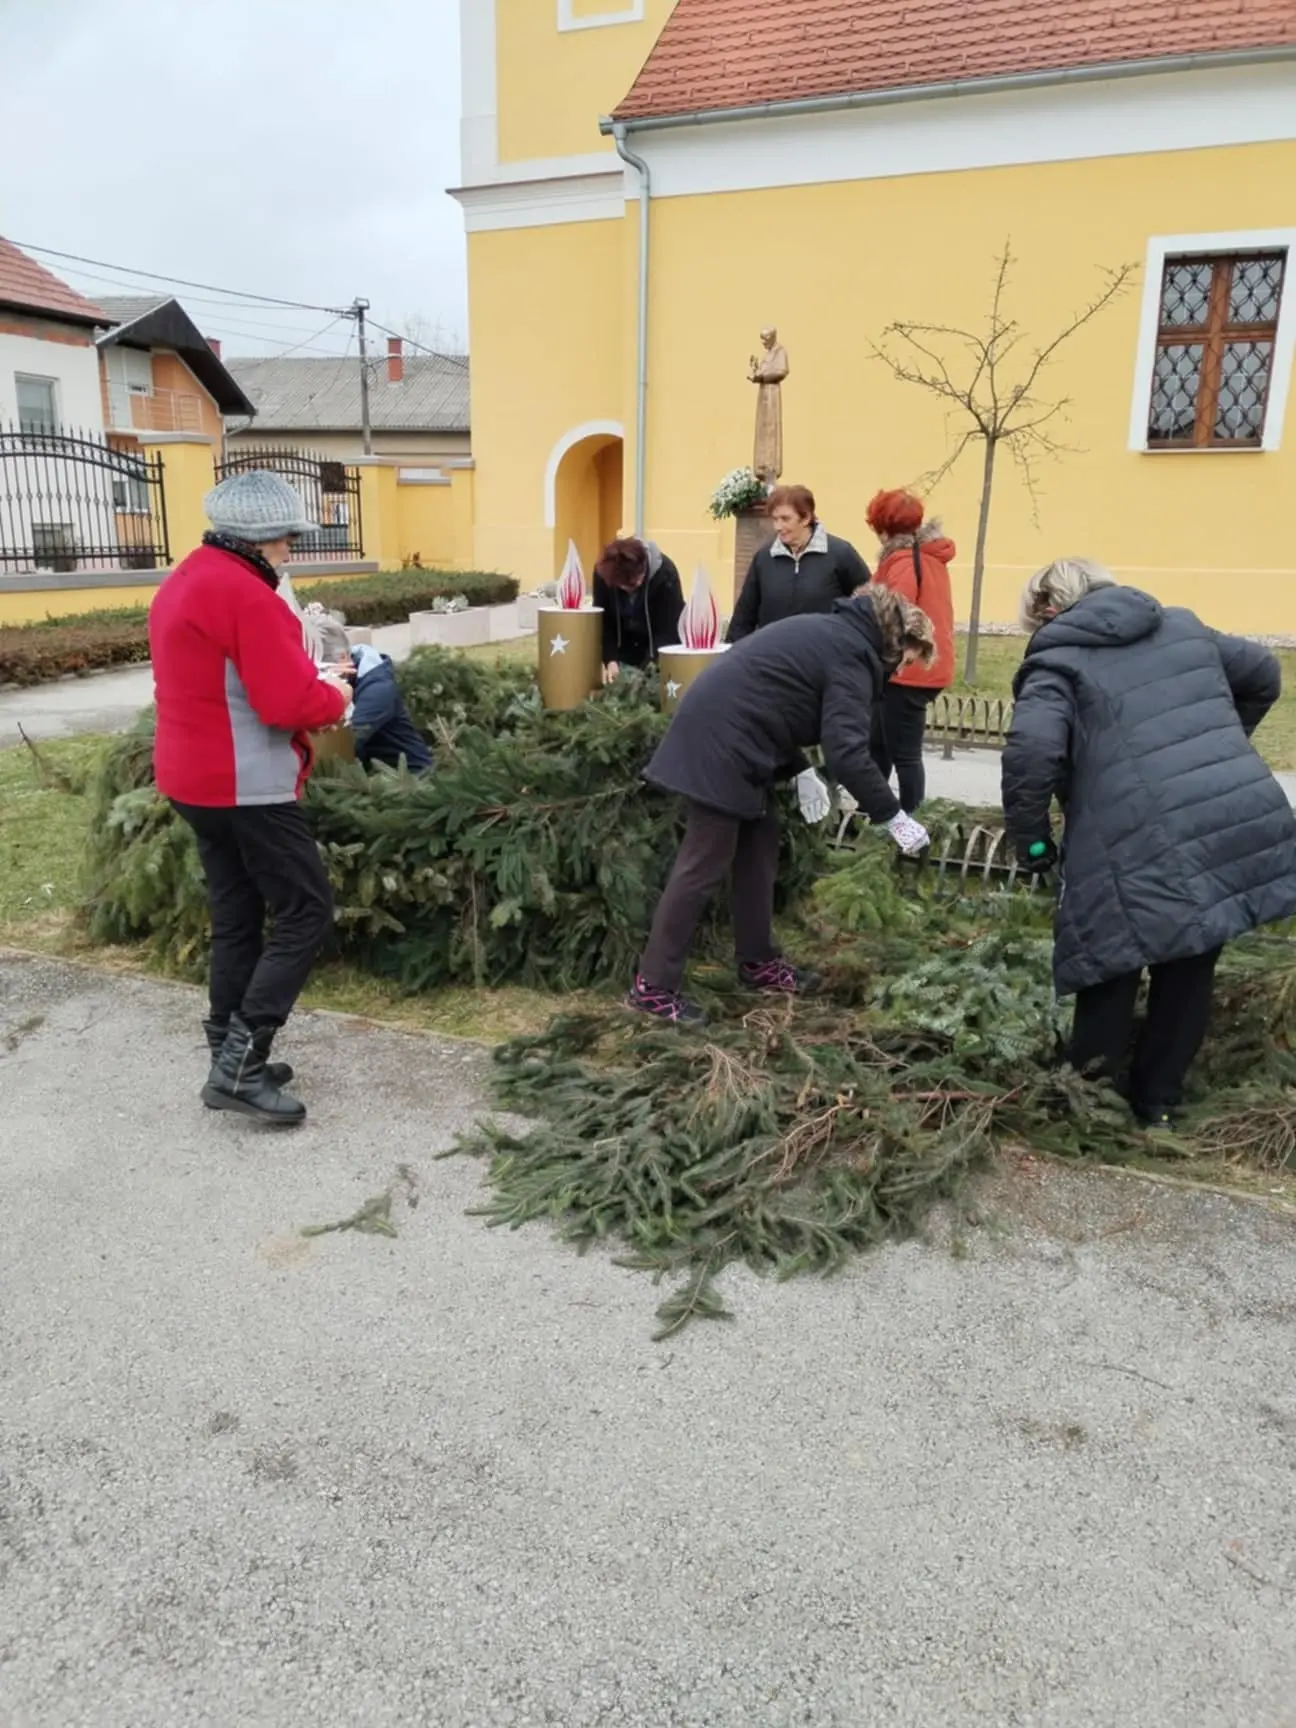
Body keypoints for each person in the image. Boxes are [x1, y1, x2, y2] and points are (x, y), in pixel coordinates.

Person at [1001, 557, 1296, 1130]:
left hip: (1128, 827)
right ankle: (1157, 1104)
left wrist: (1033, 843)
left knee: (1110, 958)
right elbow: (1264, 673)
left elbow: (1033, 754)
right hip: (1223, 811)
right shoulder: (1181, 624)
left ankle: (1089, 1106)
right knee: (1190, 954)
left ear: (1047, 610)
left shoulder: (1055, 661)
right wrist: (1217, 743)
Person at [149, 471, 355, 1127]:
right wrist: (339, 696)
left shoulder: (187, 577)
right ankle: (241, 1062)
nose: (291, 550)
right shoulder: (247, 593)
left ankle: (227, 1053)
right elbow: (285, 703)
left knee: (237, 915)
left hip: (192, 779)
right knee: (306, 912)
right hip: (247, 786)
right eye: (288, 538)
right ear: (262, 538)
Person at [631, 585, 936, 1024]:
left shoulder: (839, 635)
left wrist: (798, 768)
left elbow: (776, 696)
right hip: (721, 740)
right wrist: (893, 816)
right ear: (897, 641)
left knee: (760, 841)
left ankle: (757, 961)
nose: (901, 672)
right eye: (906, 662)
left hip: (734, 732)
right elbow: (847, 751)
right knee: (703, 862)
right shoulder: (855, 654)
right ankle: (652, 987)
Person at [866, 489, 957, 812]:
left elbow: (893, 613)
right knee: (878, 745)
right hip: (927, 665)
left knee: (903, 755)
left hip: (907, 669)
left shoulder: (904, 561)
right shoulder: (930, 555)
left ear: (883, 528)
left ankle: (909, 824)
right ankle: (875, 812)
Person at [727, 485, 871, 642]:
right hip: (774, 657)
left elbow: (869, 607)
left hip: (825, 658)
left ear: (806, 518)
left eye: (785, 519)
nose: (778, 527)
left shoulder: (840, 553)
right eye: (775, 519)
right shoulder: (764, 558)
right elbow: (743, 619)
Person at [309, 609, 433, 773]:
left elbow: (345, 745)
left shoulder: (378, 690)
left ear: (343, 658)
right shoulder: (354, 676)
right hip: (373, 779)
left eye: (323, 671)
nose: (320, 680)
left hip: (408, 782)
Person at [593, 536, 684, 682]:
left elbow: (668, 630)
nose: (639, 583)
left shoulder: (666, 574)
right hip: (623, 651)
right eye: (627, 586)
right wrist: (610, 659)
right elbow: (603, 621)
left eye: (639, 579)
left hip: (655, 652)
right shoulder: (604, 574)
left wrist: (647, 671)